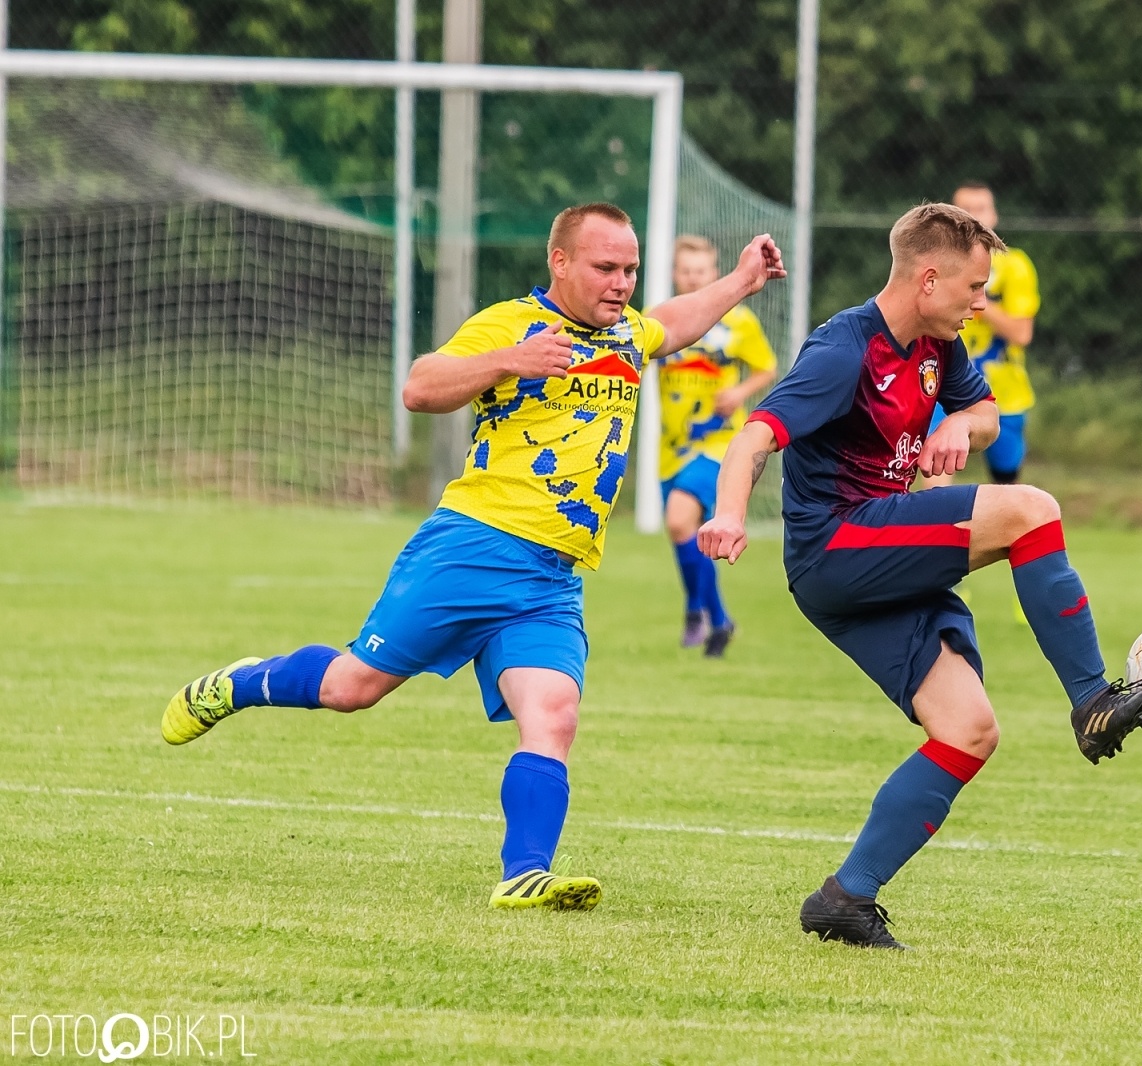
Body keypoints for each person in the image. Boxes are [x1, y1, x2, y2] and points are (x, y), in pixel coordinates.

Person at [160, 203, 785, 912]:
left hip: (553, 578)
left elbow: (674, 321)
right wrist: (510, 362)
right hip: (473, 548)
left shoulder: (628, 333)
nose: (622, 283)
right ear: (561, 263)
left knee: (553, 713)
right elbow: (421, 385)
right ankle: (240, 683)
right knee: (350, 688)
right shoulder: (513, 324)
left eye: (631, 269)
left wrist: (740, 279)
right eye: (606, 267)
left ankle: (525, 873)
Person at [698, 203, 1142, 949]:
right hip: (837, 547)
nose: (981, 303)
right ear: (927, 280)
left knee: (969, 730)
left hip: (875, 560)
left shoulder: (937, 345)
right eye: (974, 288)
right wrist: (727, 513)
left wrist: (959, 423)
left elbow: (982, 413)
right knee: (1031, 510)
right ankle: (1089, 699)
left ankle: (845, 899)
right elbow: (755, 435)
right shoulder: (844, 350)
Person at [656, 235, 778, 655]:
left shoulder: (738, 321)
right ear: (676, 274)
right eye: (686, 270)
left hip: (719, 443)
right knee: (686, 534)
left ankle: (697, 609)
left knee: (678, 520)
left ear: (715, 273)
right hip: (673, 445)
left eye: (701, 270)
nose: (693, 278)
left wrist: (739, 392)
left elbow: (767, 367)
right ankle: (717, 618)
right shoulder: (662, 319)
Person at [921, 180, 1039, 488]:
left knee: (1006, 485)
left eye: (981, 209)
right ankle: (937, 535)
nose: (974, 218)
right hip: (941, 385)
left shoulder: (1016, 267)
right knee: (934, 474)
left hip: (1003, 393)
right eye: (965, 210)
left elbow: (1022, 333)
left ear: (995, 215)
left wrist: (975, 294)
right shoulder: (935, 266)